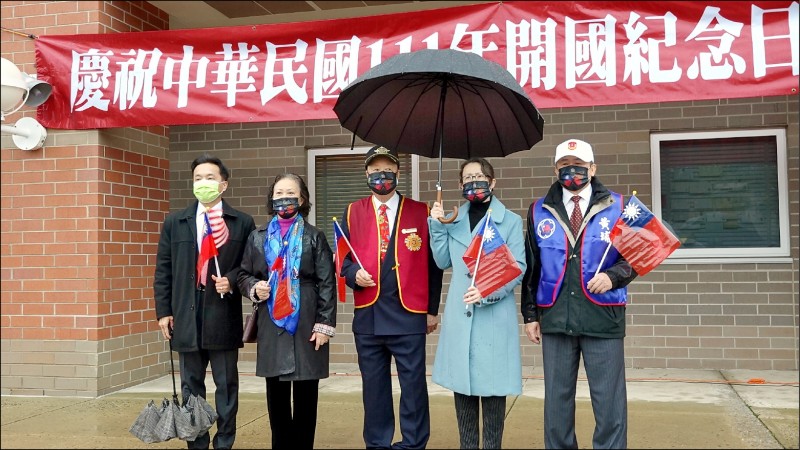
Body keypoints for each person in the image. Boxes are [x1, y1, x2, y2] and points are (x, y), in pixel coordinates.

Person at [521, 138, 638, 449]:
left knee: (609, 403)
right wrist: (530, 315)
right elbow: (532, 267)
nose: (570, 170)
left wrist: (614, 276)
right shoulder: (538, 210)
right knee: (556, 404)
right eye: (563, 165)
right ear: (555, 169)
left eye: (578, 165)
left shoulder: (620, 205)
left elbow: (640, 255)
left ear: (592, 168)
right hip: (556, 316)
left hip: (603, 316)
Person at [338, 145, 443, 449]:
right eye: (375, 171)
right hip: (368, 315)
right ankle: (378, 442)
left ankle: (412, 443)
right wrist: (352, 273)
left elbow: (434, 265)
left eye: (387, 171)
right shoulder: (352, 211)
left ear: (398, 172)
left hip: (409, 312)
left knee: (413, 386)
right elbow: (342, 259)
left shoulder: (421, 211)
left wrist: (432, 308)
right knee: (374, 388)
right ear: (366, 174)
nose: (381, 176)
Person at [154, 154, 256, 450]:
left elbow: (251, 266)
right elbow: (164, 269)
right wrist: (164, 312)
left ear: (223, 184)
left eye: (210, 178)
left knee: (226, 386)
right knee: (191, 387)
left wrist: (233, 279)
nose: (203, 183)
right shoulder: (176, 221)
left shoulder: (241, 222)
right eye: (198, 178)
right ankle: (197, 442)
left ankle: (224, 441)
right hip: (186, 313)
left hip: (222, 313)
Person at [429, 158, 526, 449]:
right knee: (464, 395)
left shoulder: (509, 221)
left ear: (493, 183)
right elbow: (442, 260)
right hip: (461, 319)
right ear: (460, 185)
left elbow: (518, 267)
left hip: (495, 319)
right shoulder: (451, 218)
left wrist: (487, 291)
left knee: (494, 397)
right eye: (468, 178)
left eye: (480, 177)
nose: (474, 182)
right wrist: (436, 225)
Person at [236, 173, 337, 449]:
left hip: (306, 322)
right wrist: (255, 287)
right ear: (271, 199)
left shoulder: (314, 236)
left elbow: (327, 282)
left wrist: (323, 325)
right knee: (277, 397)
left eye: (290, 193)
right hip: (271, 321)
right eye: (278, 194)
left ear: (302, 199)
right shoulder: (257, 237)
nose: (284, 199)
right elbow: (243, 275)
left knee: (306, 398)